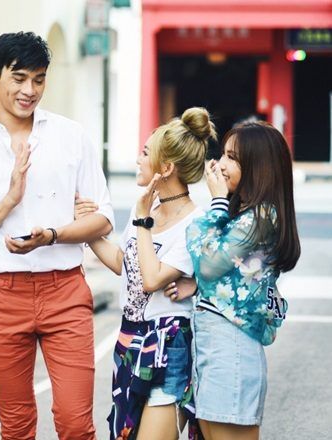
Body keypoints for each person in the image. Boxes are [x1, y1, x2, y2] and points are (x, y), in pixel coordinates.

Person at [0, 31, 115, 440]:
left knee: (76, 423)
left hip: (65, 290)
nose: (29, 90)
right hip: (2, 296)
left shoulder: (71, 137)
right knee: (16, 426)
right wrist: (8, 200)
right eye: (18, 78)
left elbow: (103, 218)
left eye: (38, 79)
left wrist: (51, 235)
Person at [77, 107, 214, 439]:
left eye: (145, 153)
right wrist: (87, 229)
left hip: (168, 342)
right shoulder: (147, 209)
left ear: (166, 168)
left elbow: (152, 280)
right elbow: (124, 264)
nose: (138, 160)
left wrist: (141, 222)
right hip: (129, 338)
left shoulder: (195, 222)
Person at [186, 121, 300, 440]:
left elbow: (209, 263)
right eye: (223, 154)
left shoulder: (262, 216)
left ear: (258, 166)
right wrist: (193, 284)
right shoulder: (248, 214)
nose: (220, 164)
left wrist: (218, 202)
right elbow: (228, 273)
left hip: (231, 345)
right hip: (217, 343)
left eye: (232, 157)